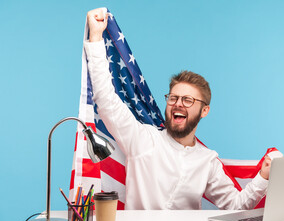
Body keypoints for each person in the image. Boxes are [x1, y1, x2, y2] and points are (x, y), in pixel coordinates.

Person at [85, 8, 272, 210]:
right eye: (173, 97)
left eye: (188, 100)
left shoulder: (207, 161)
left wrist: (263, 176)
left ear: (204, 111)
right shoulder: (142, 139)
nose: (178, 103)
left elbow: (237, 206)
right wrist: (96, 38)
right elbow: (105, 99)